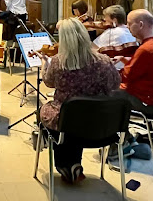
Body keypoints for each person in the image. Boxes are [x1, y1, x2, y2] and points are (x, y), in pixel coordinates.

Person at [36, 18, 120, 183]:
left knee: (50, 114)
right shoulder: (104, 61)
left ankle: (64, 164)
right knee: (80, 114)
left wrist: (44, 64)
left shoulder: (59, 62)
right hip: (100, 123)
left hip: (67, 122)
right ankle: (73, 164)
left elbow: (48, 82)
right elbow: (115, 84)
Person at [112, 9, 153, 112]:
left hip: (143, 99)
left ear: (140, 25)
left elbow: (127, 76)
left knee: (101, 91)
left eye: (129, 23)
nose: (127, 26)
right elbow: (145, 69)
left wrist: (106, 71)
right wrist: (124, 59)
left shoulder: (146, 49)